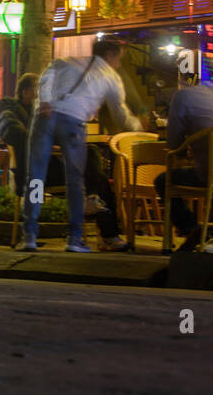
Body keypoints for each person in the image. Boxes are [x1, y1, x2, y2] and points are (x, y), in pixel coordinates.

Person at [20, 38, 140, 253]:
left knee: (36, 178)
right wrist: (137, 126)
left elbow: (46, 77)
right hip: (73, 121)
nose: (119, 64)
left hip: (43, 118)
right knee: (75, 182)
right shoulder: (111, 76)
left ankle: (29, 235)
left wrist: (46, 101)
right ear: (110, 55)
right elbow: (120, 111)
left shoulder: (64, 61)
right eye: (119, 59)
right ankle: (74, 239)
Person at [0, 72, 124, 248]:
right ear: (26, 92)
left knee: (92, 156)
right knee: (97, 178)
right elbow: (12, 133)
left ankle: (93, 200)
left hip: (53, 166)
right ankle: (109, 235)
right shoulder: (9, 112)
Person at [154, 74, 213, 254]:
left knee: (163, 180)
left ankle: (192, 229)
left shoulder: (183, 96)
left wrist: (185, 148)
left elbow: (173, 143)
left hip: (210, 174)